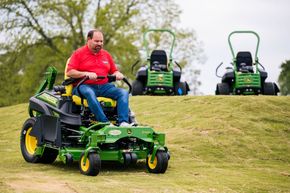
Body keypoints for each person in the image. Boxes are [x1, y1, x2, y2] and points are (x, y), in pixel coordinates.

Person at [66, 29, 132, 127]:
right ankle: (105, 123)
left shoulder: (106, 55)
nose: (99, 44)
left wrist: (117, 73)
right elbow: (70, 72)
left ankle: (123, 122)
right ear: (89, 40)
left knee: (123, 92)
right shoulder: (78, 53)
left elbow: (114, 70)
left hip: (105, 86)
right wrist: (86, 74)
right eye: (96, 41)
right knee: (89, 93)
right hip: (84, 86)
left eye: (101, 41)